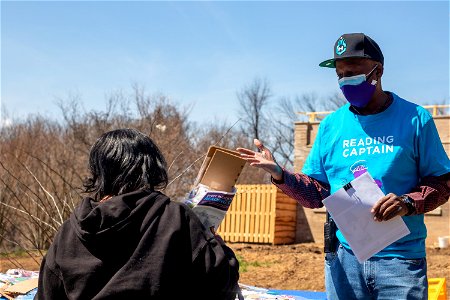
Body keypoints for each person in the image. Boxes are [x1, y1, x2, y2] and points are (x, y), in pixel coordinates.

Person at [237, 33, 450, 300]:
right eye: (340, 74)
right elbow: (316, 194)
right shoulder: (330, 127)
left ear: (378, 71)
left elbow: (442, 182)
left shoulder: (416, 119)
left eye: (353, 73)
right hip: (344, 261)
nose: (345, 80)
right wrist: (280, 174)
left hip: (400, 262)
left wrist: (406, 202)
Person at [36, 128, 240, 300]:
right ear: (152, 166)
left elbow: (47, 294)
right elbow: (222, 286)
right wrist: (216, 244)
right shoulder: (176, 218)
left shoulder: (70, 231)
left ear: (98, 171)